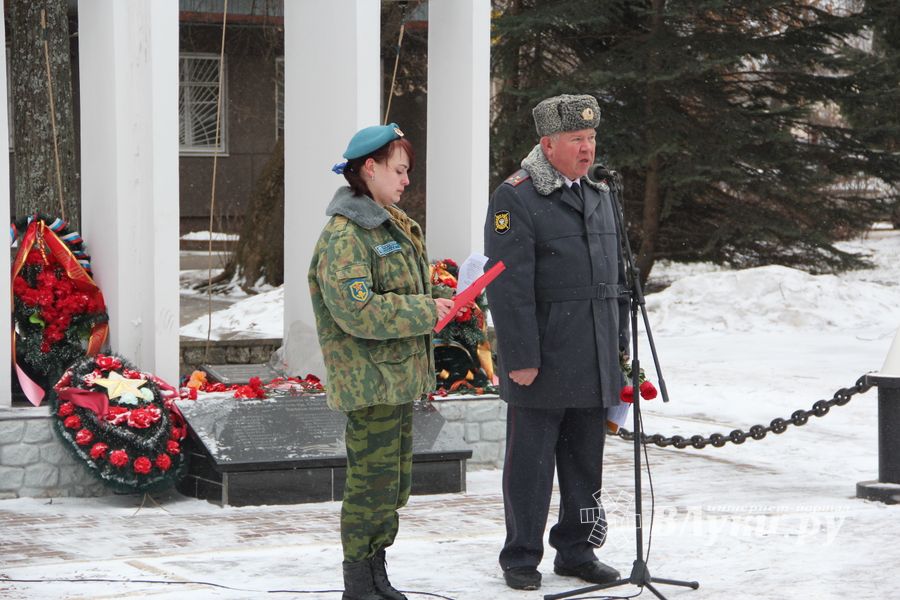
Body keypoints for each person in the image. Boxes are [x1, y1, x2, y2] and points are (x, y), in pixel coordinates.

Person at [484, 94, 629, 591]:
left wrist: (620, 351)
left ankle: (577, 549)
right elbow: (508, 285)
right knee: (531, 463)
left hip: (593, 355)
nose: (587, 149)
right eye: (576, 140)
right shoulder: (517, 197)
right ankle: (521, 556)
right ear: (548, 144)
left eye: (591, 139)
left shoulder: (600, 192)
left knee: (585, 461)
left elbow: (616, 281)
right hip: (543, 358)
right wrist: (520, 357)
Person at [309, 123, 455, 600]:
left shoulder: (392, 223)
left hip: (395, 380)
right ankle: (359, 580)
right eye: (399, 170)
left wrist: (443, 297)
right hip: (369, 384)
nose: (406, 180)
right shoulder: (346, 235)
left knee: (391, 487)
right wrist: (423, 310)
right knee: (370, 487)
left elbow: (402, 291)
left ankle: (376, 573)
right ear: (368, 169)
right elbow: (357, 310)